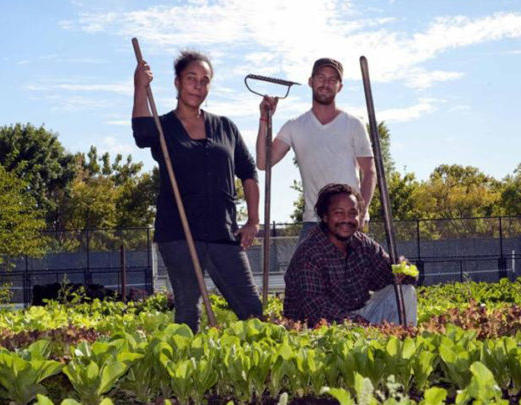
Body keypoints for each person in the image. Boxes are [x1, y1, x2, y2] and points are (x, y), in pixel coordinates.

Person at [132, 50, 263, 332]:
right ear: (177, 82)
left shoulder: (225, 127)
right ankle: (189, 360)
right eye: (191, 78)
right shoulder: (163, 127)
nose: (198, 86)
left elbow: (248, 172)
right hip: (178, 233)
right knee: (188, 310)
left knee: (252, 309)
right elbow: (141, 134)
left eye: (205, 80)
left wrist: (253, 220)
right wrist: (140, 87)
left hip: (223, 232)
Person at [257, 58, 377, 243]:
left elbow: (369, 171)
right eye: (321, 77)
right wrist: (264, 119)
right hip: (313, 221)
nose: (326, 83)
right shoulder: (294, 126)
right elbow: (263, 162)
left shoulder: (353, 124)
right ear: (310, 81)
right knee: (303, 263)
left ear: (340, 87)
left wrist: (360, 212)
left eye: (332, 79)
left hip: (348, 221)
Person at [283, 183, 417, 326]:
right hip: (317, 329)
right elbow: (315, 307)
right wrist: (355, 323)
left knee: (405, 291)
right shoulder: (309, 252)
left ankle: (402, 337)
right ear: (325, 216)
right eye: (339, 213)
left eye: (353, 213)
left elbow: (385, 275)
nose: (346, 219)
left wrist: (403, 271)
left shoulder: (363, 244)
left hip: (358, 320)